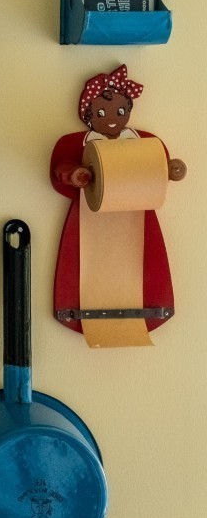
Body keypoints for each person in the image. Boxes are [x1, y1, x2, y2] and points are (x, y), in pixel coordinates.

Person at [50, 65, 186, 343]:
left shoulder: (145, 141)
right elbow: (61, 169)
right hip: (89, 215)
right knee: (84, 259)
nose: (112, 119)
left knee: (142, 259)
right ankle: (76, 308)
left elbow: (156, 165)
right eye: (101, 114)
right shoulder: (76, 143)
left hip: (138, 215)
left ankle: (150, 307)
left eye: (120, 112)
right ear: (88, 115)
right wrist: (75, 174)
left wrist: (168, 168)